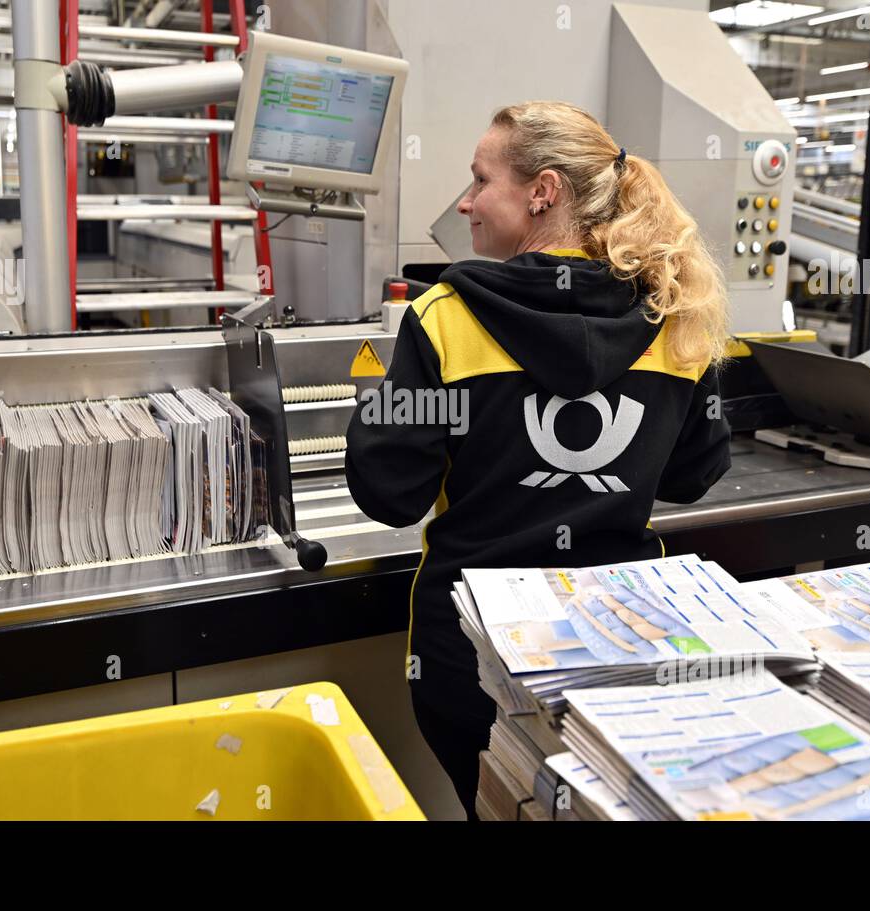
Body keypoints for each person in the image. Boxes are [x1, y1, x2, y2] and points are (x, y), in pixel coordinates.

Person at [344, 101, 733, 819]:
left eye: (480, 179)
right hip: (622, 650)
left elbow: (389, 494)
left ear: (542, 191)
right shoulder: (674, 314)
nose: (466, 201)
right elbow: (691, 477)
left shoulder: (444, 317)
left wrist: (378, 403)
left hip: (473, 659)